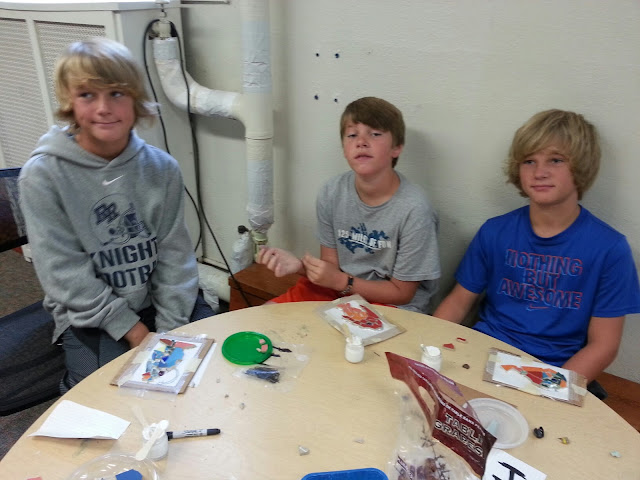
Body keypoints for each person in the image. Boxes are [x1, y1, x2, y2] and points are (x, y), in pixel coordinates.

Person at [19, 37, 213, 392]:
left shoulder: (162, 168)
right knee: (104, 396)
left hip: (159, 300)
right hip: (91, 314)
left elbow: (174, 254)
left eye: (117, 94)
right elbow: (65, 275)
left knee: (209, 372)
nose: (104, 108)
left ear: (135, 99)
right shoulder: (43, 175)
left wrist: (168, 332)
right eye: (87, 95)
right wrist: (135, 332)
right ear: (69, 102)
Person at [433, 109, 640, 383]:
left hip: (554, 370)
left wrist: (551, 388)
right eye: (529, 161)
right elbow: (458, 302)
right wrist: (430, 349)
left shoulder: (610, 249)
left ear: (581, 166)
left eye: (556, 160)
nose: (540, 172)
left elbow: (604, 345)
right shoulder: (495, 231)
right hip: (481, 354)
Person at [257, 96, 441, 313]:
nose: (361, 141)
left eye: (375, 134)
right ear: (344, 148)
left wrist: (341, 282)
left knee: (340, 334)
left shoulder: (415, 209)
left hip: (390, 303)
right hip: (338, 288)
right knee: (265, 316)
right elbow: (330, 266)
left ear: (397, 148)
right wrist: (300, 266)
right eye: (352, 135)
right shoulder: (332, 191)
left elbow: (402, 293)